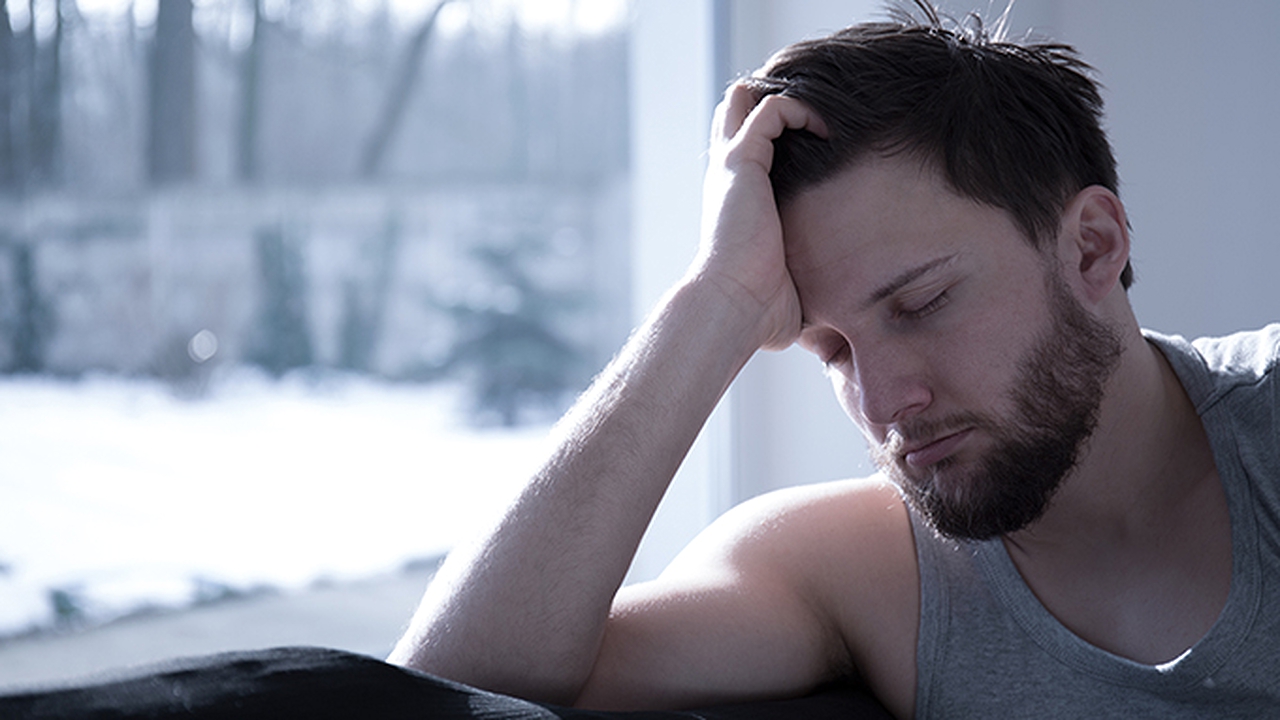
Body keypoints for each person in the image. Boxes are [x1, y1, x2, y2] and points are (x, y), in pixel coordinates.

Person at [386, 2, 1280, 719]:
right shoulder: (859, 570)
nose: (884, 403)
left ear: (1091, 247)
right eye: (830, 349)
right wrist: (719, 299)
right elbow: (445, 690)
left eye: (921, 304)